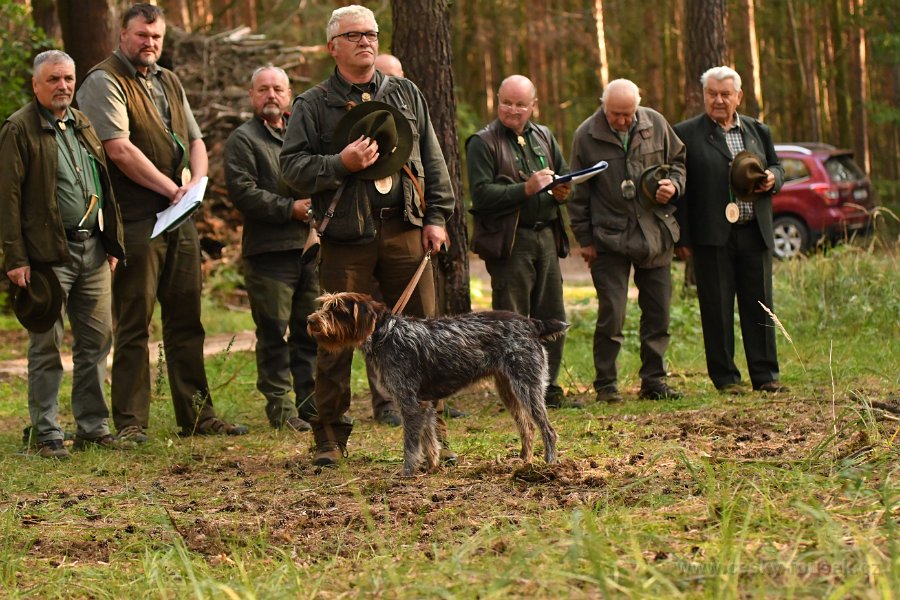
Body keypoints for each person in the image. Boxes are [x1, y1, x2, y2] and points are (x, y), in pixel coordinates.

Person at [280, 5, 456, 467]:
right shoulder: (312, 104)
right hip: (345, 236)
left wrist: (437, 217)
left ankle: (433, 438)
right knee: (333, 340)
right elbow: (291, 170)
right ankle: (329, 438)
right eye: (354, 35)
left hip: (405, 231)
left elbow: (432, 159)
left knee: (426, 338)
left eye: (372, 34)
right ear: (332, 46)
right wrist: (340, 163)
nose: (366, 42)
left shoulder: (406, 94)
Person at [77, 3, 248, 442]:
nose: (149, 43)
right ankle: (132, 424)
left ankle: (198, 417)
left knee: (187, 321)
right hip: (135, 219)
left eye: (156, 37)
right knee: (134, 322)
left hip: (179, 216)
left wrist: (198, 183)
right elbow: (118, 149)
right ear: (123, 35)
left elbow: (195, 139)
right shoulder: (103, 81)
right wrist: (171, 189)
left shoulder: (168, 79)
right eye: (141, 36)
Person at [0, 50, 127, 458]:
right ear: (36, 84)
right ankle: (47, 431)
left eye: (69, 79)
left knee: (96, 342)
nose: (64, 86)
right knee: (45, 345)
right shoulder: (18, 128)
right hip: (45, 256)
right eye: (54, 79)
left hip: (93, 249)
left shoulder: (82, 122)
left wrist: (112, 243)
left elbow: (104, 184)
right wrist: (15, 257)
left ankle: (92, 426)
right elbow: (8, 198)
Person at [568, 79, 686, 403]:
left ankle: (654, 381)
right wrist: (585, 240)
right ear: (603, 105)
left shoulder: (656, 123)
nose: (622, 120)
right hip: (608, 238)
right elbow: (577, 192)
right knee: (612, 314)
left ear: (639, 104)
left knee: (658, 312)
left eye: (627, 113)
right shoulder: (585, 135)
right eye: (615, 114)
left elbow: (678, 162)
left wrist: (673, 185)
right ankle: (606, 384)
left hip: (654, 233)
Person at [466, 74, 577, 409]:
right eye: (506, 102)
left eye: (520, 104)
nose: (512, 110)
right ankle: (514, 393)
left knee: (551, 315)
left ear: (534, 106)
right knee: (511, 323)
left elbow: (564, 173)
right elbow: (482, 196)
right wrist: (525, 189)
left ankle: (549, 386)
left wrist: (563, 191)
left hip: (546, 235)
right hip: (510, 243)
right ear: (497, 101)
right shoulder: (482, 142)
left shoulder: (544, 135)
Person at [673, 66, 787, 394]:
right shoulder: (685, 133)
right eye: (713, 94)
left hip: (755, 230)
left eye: (726, 94)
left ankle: (765, 375)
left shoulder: (757, 130)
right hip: (713, 235)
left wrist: (772, 179)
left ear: (739, 96)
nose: (719, 100)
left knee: (761, 303)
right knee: (717, 307)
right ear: (704, 96)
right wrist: (683, 237)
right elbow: (682, 187)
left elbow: (777, 165)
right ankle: (726, 378)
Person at [224, 65, 318, 433]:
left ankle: (310, 405)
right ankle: (281, 408)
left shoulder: (302, 136)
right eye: (263, 89)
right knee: (274, 333)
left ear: (289, 93)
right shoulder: (243, 140)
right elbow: (243, 192)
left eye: (278, 88)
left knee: (310, 331)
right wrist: (289, 208)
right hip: (268, 253)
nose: (271, 95)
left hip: (310, 249)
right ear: (252, 97)